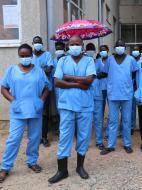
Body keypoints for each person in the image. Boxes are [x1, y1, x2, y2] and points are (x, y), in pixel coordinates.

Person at [48, 35, 96, 183]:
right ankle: (62, 170)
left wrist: (69, 77)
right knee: (65, 137)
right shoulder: (62, 60)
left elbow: (89, 80)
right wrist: (78, 83)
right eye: (72, 44)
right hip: (67, 105)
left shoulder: (89, 60)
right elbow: (57, 82)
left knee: (83, 137)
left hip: (85, 106)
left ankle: (80, 167)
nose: (74, 47)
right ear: (68, 46)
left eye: (77, 44)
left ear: (82, 46)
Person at [0, 44, 49, 183]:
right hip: (18, 110)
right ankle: (5, 167)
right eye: (22, 55)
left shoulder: (39, 71)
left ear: (32, 55)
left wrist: (41, 101)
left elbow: (47, 87)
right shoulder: (12, 70)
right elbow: (3, 88)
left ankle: (32, 161)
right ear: (18, 55)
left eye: (27, 55)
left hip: (35, 110)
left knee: (34, 138)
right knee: (14, 139)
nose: (25, 58)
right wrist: (12, 100)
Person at [99, 39, 138, 155]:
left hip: (127, 94)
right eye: (118, 46)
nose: (120, 47)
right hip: (113, 94)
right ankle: (111, 145)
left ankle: (127, 144)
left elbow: (134, 73)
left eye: (122, 45)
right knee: (112, 121)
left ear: (125, 47)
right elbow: (105, 73)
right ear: (114, 48)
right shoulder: (110, 60)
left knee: (126, 120)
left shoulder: (131, 59)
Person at [32, 36, 54, 147]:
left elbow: (49, 69)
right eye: (35, 42)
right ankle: (35, 137)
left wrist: (35, 69)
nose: (37, 44)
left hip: (45, 88)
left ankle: (44, 137)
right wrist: (42, 68)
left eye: (39, 42)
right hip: (32, 90)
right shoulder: (29, 55)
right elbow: (27, 70)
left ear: (42, 44)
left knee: (45, 113)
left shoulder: (47, 55)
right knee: (34, 113)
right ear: (32, 44)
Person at [93, 45, 109, 150]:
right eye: (101, 50)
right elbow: (95, 74)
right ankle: (99, 140)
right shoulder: (97, 61)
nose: (103, 52)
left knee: (112, 112)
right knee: (99, 114)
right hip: (99, 90)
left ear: (108, 51)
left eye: (104, 50)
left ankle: (108, 133)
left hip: (110, 88)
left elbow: (111, 73)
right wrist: (101, 74)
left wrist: (103, 74)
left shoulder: (111, 60)